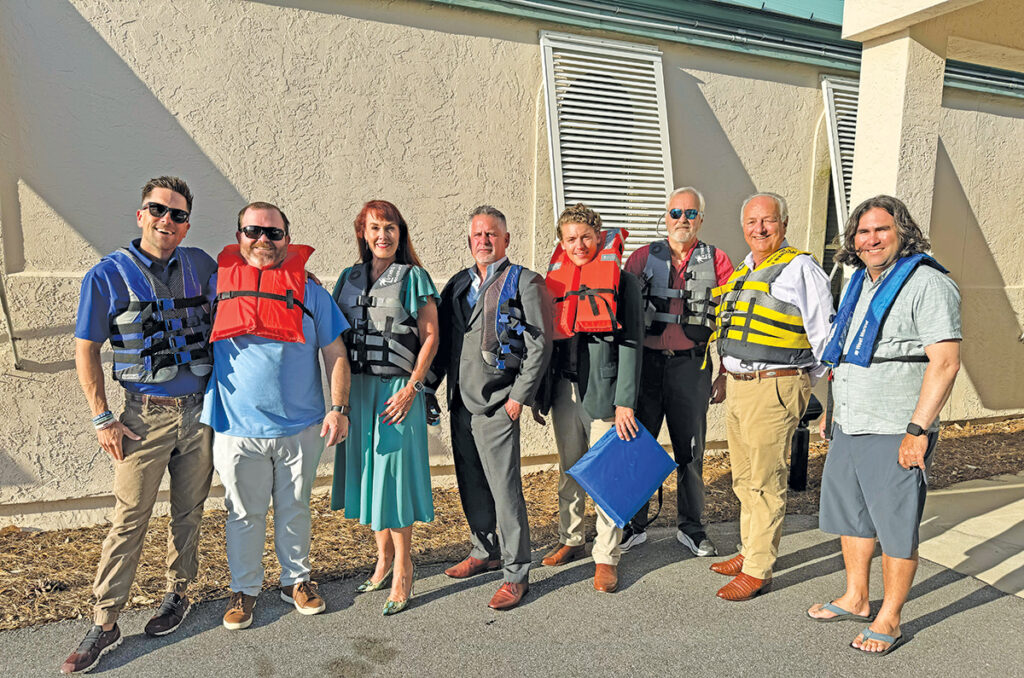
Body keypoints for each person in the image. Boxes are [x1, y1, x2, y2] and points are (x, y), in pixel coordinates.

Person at [64, 176, 216, 674]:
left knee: (189, 511)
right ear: (140, 214)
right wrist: (101, 416)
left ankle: (178, 593)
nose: (165, 221)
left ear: (187, 223)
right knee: (129, 519)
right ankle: (105, 619)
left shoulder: (201, 265)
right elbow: (87, 348)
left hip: (199, 412)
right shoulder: (106, 275)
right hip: (142, 418)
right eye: (157, 210)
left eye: (176, 215)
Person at [807, 196, 961, 655]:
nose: (870, 239)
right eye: (862, 232)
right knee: (852, 517)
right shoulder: (861, 281)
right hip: (852, 421)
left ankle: (889, 618)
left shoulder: (928, 283)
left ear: (902, 232)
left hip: (895, 425)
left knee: (894, 526)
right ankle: (856, 597)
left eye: (881, 230)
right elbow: (849, 354)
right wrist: (833, 413)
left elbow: (946, 362)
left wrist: (917, 430)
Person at [202, 201, 351, 630]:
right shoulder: (214, 286)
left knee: (295, 508)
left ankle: (295, 581)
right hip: (236, 426)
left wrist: (338, 408)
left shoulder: (311, 290)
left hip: (300, 426)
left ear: (287, 238)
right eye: (253, 231)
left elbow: (335, 352)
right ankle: (245, 589)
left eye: (273, 233)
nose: (263, 240)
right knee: (242, 513)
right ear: (238, 236)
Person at [710, 192, 834, 601]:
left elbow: (825, 340)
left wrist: (796, 380)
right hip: (740, 389)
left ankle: (759, 569)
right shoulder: (745, 269)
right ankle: (749, 551)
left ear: (784, 224)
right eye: (751, 222)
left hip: (775, 387)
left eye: (768, 221)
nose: (759, 229)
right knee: (744, 479)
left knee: (766, 481)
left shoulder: (801, 268)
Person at [430, 205, 553, 610]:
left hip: (499, 402)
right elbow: (444, 343)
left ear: (506, 240)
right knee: (471, 483)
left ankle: (516, 574)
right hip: (460, 403)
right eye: (477, 235)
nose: (484, 240)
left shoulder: (526, 282)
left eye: (492, 234)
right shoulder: (458, 284)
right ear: (469, 242)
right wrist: (428, 388)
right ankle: (485, 551)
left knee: (505, 491)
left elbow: (539, 345)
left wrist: (520, 396)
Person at [330, 200, 439, 616]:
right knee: (369, 475)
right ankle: (382, 559)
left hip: (398, 390)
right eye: (375, 227)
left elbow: (430, 336)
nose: (383, 235)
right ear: (363, 232)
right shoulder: (348, 277)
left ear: (400, 232)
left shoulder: (414, 278)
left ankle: (404, 568)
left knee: (391, 479)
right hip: (357, 389)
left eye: (390, 227)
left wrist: (413, 387)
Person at [621, 186, 734, 556]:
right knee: (639, 447)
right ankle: (633, 525)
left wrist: (724, 374)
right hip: (648, 368)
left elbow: (731, 322)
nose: (681, 220)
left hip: (692, 366)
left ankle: (692, 527)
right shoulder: (641, 258)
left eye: (689, 213)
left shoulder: (718, 261)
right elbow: (621, 315)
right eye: (675, 213)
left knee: (691, 450)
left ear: (700, 218)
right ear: (665, 216)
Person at [538, 202, 644, 594]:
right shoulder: (556, 281)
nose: (579, 245)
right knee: (569, 469)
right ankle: (571, 538)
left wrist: (626, 401)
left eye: (586, 237)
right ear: (561, 243)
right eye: (571, 239)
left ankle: (606, 556)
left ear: (599, 237)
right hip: (564, 391)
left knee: (605, 478)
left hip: (604, 393)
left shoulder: (623, 281)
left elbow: (632, 343)